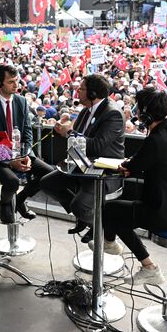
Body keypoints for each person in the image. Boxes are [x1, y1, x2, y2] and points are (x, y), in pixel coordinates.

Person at [96, 87, 167, 285]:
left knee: (110, 210)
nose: (137, 113)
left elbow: (132, 167)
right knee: (118, 215)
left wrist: (127, 166)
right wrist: (132, 164)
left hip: (162, 212)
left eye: (140, 109)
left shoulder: (156, 139)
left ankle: (146, 265)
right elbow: (144, 161)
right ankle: (111, 243)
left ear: (147, 113)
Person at [40, 74, 125, 238]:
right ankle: (86, 220)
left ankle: (101, 228)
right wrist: (61, 129)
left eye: (81, 88)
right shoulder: (86, 109)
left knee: (80, 206)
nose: (77, 91)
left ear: (93, 94)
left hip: (103, 172)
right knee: (47, 183)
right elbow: (77, 136)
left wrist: (70, 132)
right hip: (81, 165)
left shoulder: (112, 114)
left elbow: (97, 146)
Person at [0, 64, 53, 223]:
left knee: (49, 174)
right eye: (11, 81)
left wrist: (24, 155)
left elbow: (27, 132)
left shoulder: (22, 101)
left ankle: (20, 200)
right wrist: (10, 161)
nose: (16, 85)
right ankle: (5, 204)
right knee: (12, 181)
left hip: (21, 152)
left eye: (16, 80)